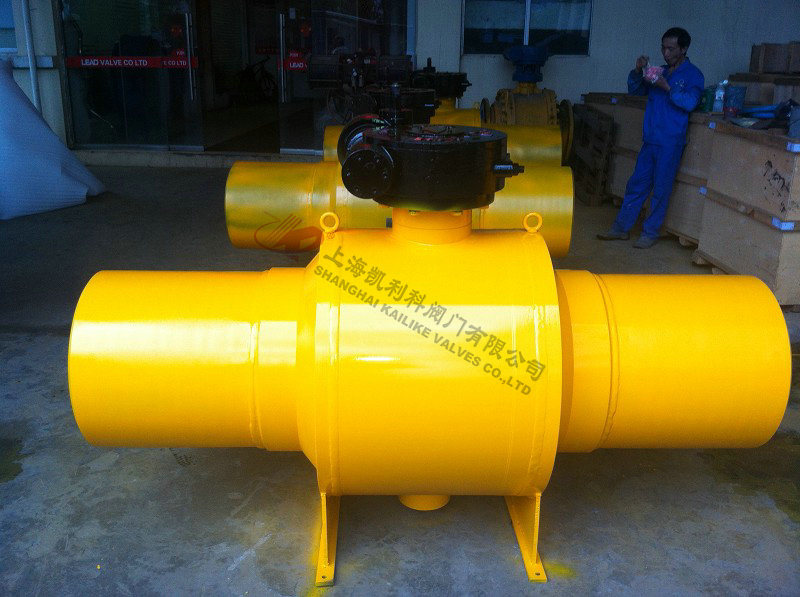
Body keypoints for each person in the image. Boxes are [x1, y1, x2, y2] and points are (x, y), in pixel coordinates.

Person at [598, 27, 704, 248]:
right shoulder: (659, 72)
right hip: (651, 139)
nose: (666, 53)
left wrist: (667, 87)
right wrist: (638, 72)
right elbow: (635, 91)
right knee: (636, 185)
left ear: (684, 48)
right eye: (663, 48)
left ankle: (650, 233)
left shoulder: (693, 75)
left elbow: (690, 103)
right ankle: (621, 228)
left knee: (661, 190)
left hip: (671, 142)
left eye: (671, 49)